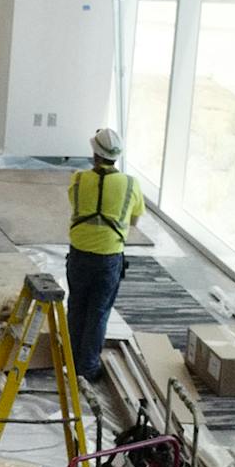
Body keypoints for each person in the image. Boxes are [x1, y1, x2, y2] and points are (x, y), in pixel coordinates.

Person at [65, 127, 145, 381]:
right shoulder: (130, 184)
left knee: (77, 307)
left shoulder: (78, 179)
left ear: (94, 153)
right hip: (109, 258)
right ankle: (87, 369)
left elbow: (75, 204)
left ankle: (70, 361)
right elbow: (134, 221)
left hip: (79, 255)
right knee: (98, 312)